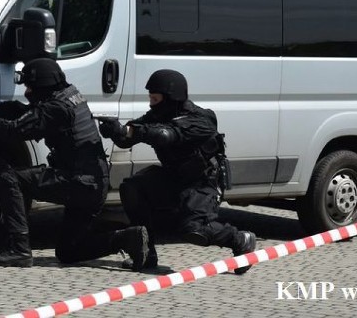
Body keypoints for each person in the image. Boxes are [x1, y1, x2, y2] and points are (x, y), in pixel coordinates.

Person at [0, 58, 148, 269]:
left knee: (10, 178)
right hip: (93, 183)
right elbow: (24, 111)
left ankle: (18, 248)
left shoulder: (55, 108)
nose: (27, 91)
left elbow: (12, 131)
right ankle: (129, 238)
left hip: (79, 182)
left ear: (40, 85)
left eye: (29, 86)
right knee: (69, 250)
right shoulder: (69, 95)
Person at [98, 69, 257, 274]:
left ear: (171, 98)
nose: (151, 104)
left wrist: (133, 131)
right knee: (132, 188)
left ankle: (240, 239)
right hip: (173, 177)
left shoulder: (201, 119)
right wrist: (116, 131)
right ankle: (145, 252)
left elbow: (166, 135)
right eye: (150, 98)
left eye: (155, 99)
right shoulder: (157, 115)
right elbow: (132, 134)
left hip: (203, 183)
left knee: (194, 230)